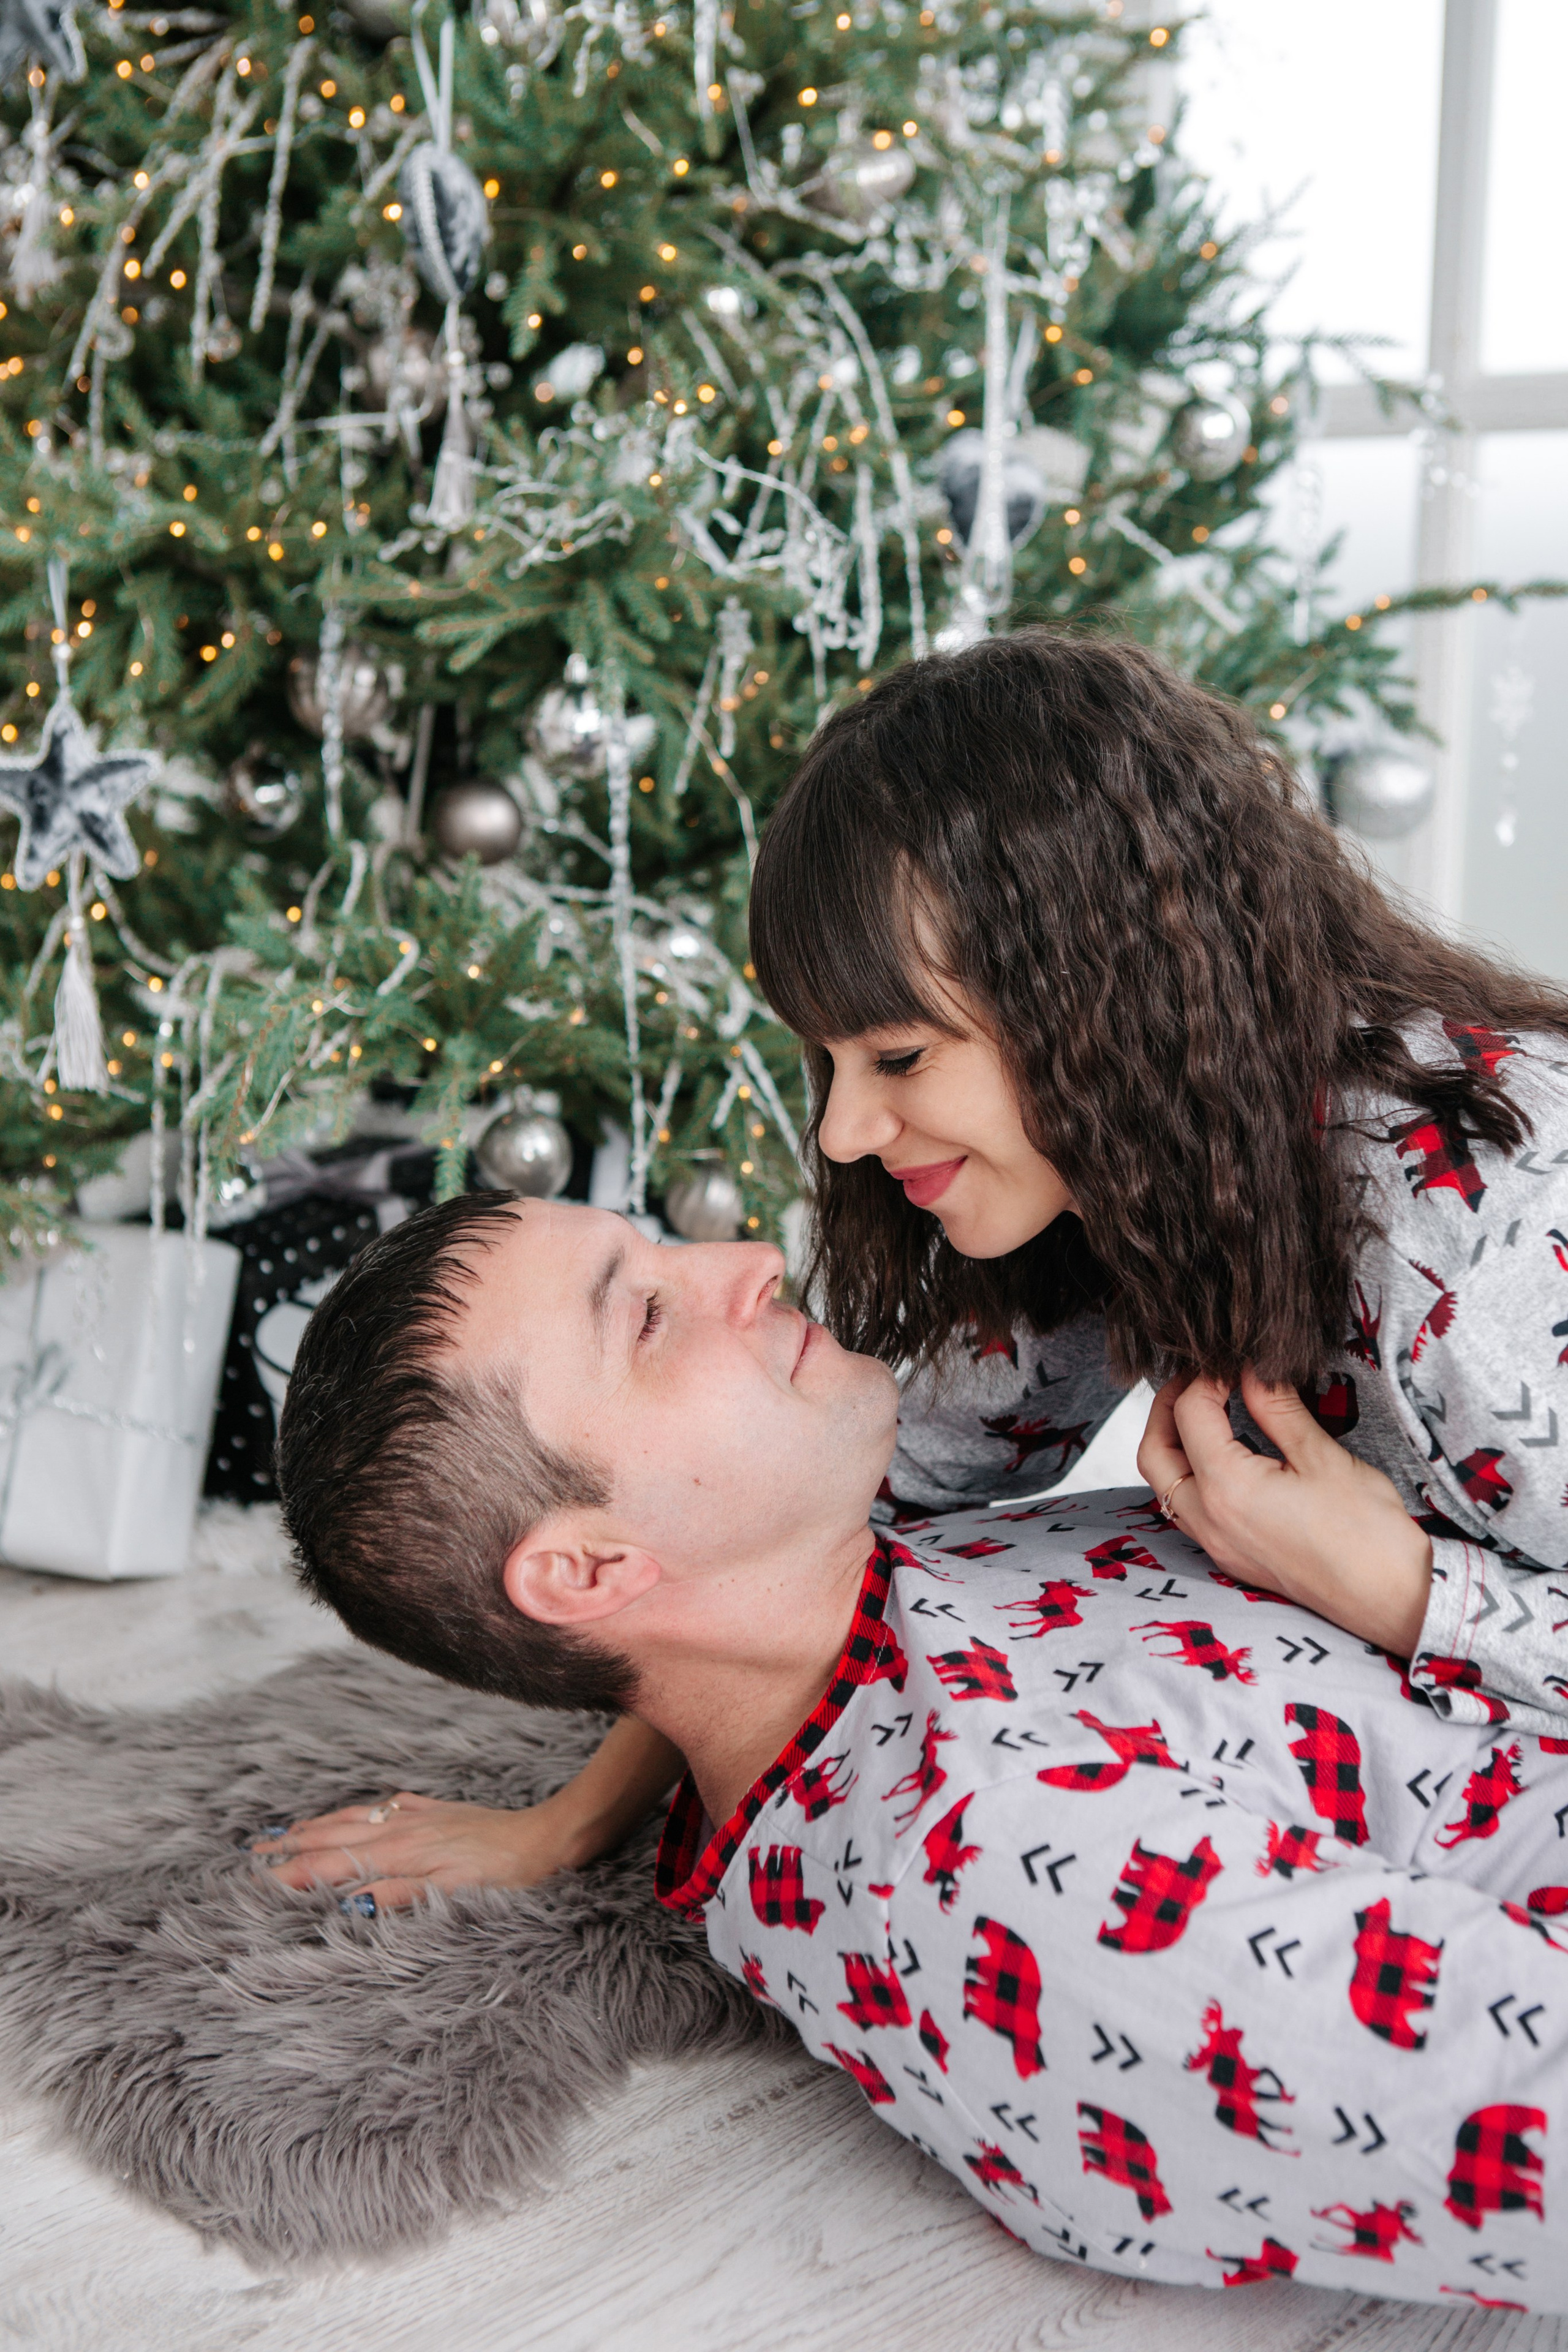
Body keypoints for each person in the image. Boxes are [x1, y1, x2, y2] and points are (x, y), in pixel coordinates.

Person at [258, 629, 1568, 1909]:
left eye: (895, 1059)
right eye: (824, 1063)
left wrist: (1394, 1588)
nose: (837, 1134)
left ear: (1101, 1004)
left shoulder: (1467, 1242)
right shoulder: (1120, 1173)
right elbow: (806, 1505)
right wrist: (567, 1825)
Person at [274, 1191, 1568, 2311]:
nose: (745, 1257)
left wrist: (565, 1822)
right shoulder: (1010, 1873)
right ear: (593, 1566)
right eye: (650, 1317)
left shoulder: (857, 1601)